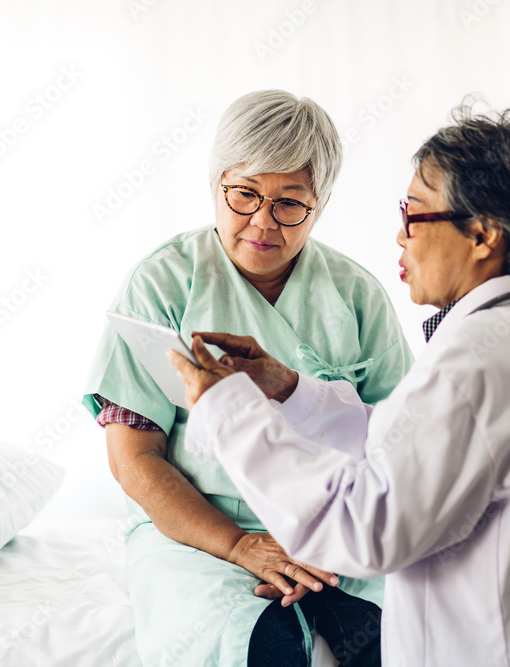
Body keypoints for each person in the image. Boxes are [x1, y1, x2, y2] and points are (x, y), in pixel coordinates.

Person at [170, 104, 510, 666]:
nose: (400, 235)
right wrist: (291, 389)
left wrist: (228, 411)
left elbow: (361, 528)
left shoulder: (474, 368)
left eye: (414, 214)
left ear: (483, 236)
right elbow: (412, 449)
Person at [81, 90, 413, 666]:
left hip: (336, 532)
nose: (263, 221)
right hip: (197, 536)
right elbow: (133, 459)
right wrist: (239, 545)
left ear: (321, 203)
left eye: (290, 203)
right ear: (216, 185)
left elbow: (402, 445)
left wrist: (334, 541)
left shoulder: (358, 296)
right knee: (259, 646)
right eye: (245, 195)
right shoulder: (163, 285)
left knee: (399, 637)